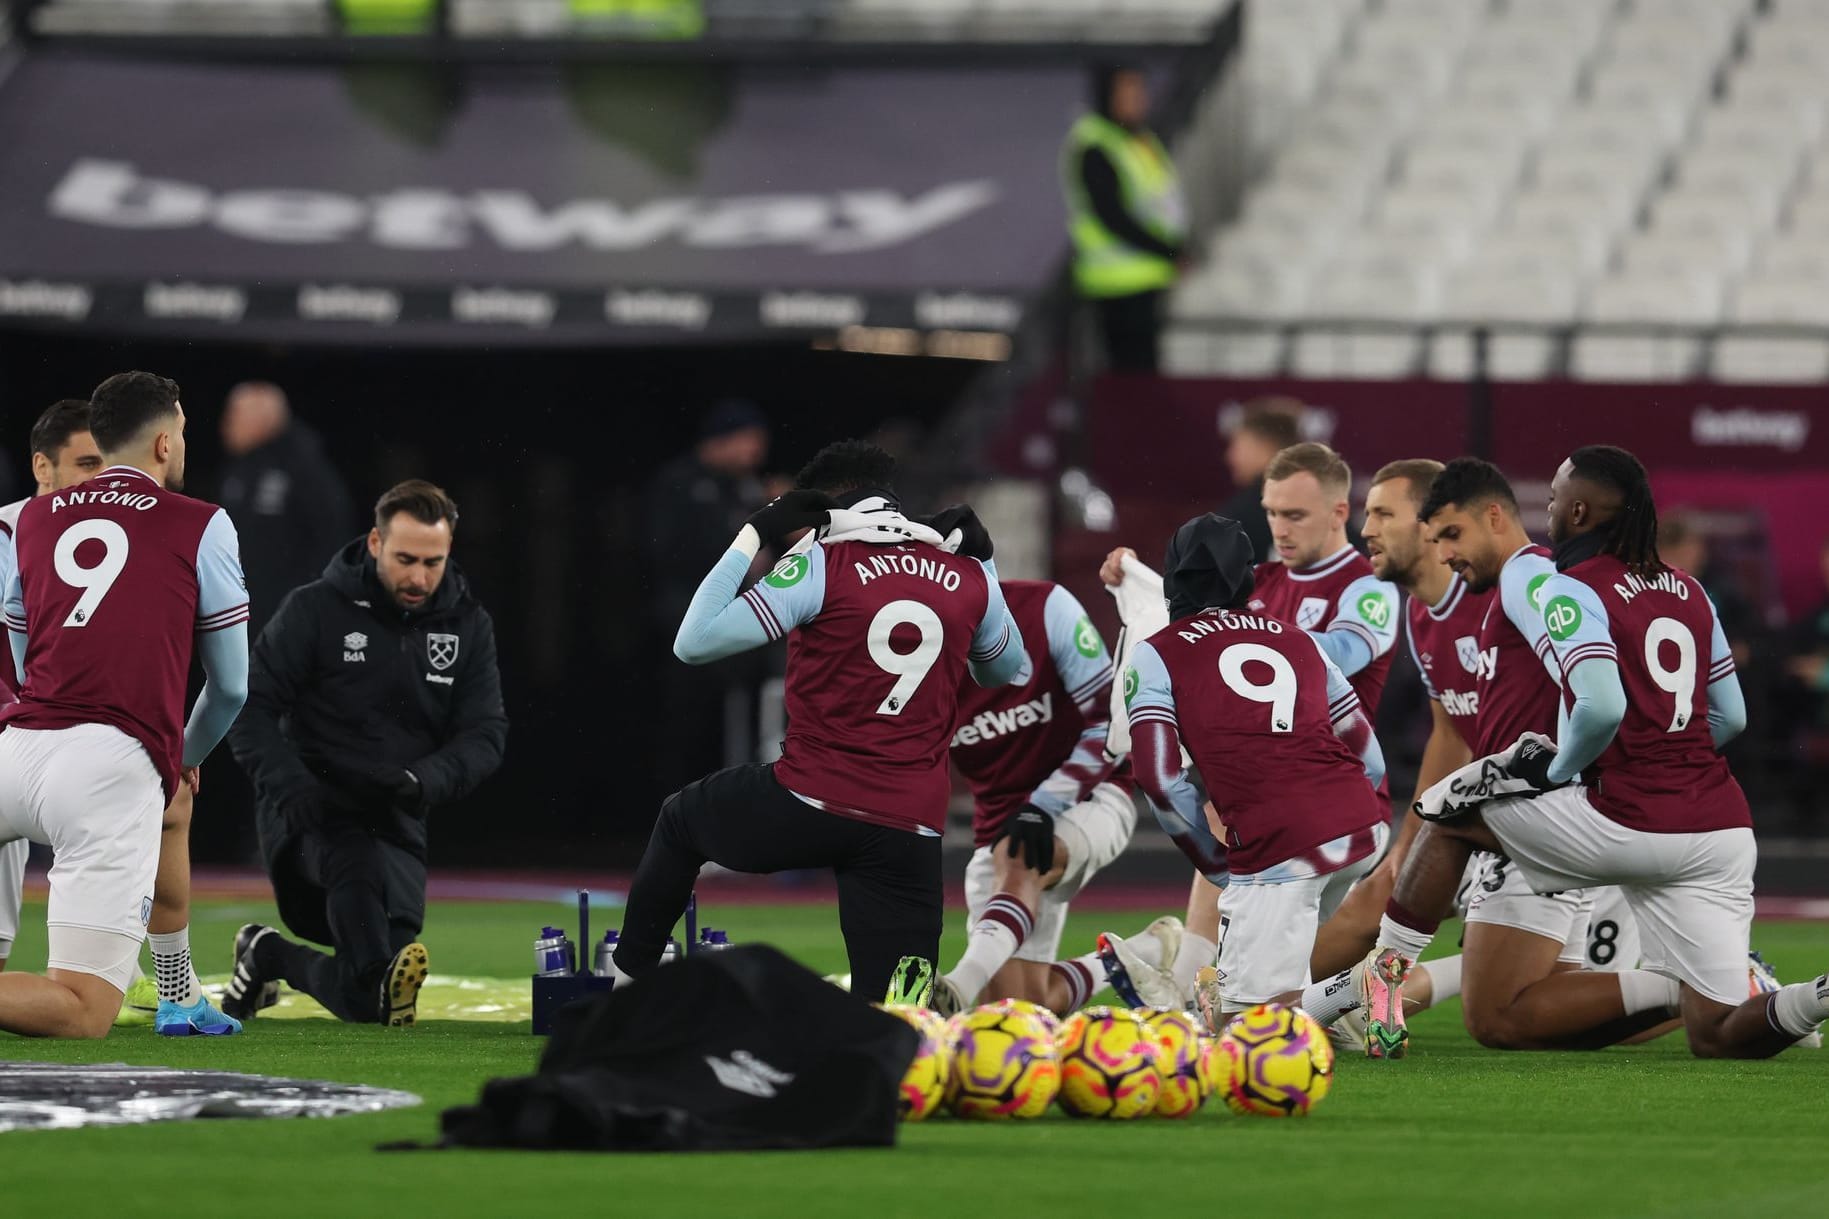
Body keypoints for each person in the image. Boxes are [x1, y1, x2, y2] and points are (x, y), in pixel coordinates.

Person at [1359, 445, 1828, 1059]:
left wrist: (1561, 769)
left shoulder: (1570, 586)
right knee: (1717, 1032)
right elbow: (1732, 715)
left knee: (1447, 814)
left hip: (1624, 817)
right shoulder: (1691, 591)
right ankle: (1817, 995)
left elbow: (1601, 705)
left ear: (1577, 511)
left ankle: (1383, 972)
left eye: (1553, 500)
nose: (1548, 511)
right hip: (1719, 829)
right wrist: (1665, 753)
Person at [605, 440, 1025, 1003]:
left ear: (824, 504)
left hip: (809, 801)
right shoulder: (963, 569)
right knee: (900, 1019)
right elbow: (1006, 670)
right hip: (911, 826)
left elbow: (693, 641)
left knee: (681, 822)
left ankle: (625, 992)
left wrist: (753, 533)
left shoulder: (821, 561)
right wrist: (987, 563)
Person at [1098, 441, 1399, 1007]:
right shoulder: (1279, 614)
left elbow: (1159, 777)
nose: (1280, 528)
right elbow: (1365, 741)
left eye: (1295, 514)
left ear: (1340, 513)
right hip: (1352, 809)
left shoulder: (1364, 586)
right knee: (1259, 977)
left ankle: (1342, 993)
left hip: (1292, 821)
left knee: (1248, 1021)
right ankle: (1323, 996)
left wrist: (1219, 864)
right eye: (1271, 514)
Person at [0, 371, 248, 1039]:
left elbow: (22, 652)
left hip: (15, 749)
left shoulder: (26, 517)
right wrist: (181, 755)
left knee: (171, 812)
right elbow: (230, 686)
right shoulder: (202, 522)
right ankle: (175, 994)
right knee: (83, 1009)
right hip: (105, 765)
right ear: (165, 443)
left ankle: (178, 991)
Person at [225, 480, 507, 1026]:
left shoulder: (467, 624)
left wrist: (421, 781)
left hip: (397, 815)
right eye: (405, 559)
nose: (420, 577)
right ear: (375, 543)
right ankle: (287, 957)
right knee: (356, 884)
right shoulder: (313, 609)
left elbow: (486, 733)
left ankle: (267, 954)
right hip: (314, 814)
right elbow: (248, 708)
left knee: (370, 988)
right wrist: (292, 788)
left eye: (434, 562)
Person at [934, 577, 1170, 1017]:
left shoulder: (1046, 607)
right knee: (1017, 1011)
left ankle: (958, 986)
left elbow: (1107, 726)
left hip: (1093, 795)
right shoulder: (916, 649)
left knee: (1020, 854)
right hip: (1001, 824)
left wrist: (1043, 805)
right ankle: (1140, 955)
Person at [644, 401, 771, 791]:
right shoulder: (679, 482)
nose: (756, 451)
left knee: (740, 721)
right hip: (687, 619)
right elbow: (665, 550)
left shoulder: (747, 486)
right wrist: (737, 554)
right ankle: (677, 814)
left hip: (739, 623)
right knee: (688, 723)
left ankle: (732, 810)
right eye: (749, 440)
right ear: (723, 440)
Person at [1062, 63, 1187, 373]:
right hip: (1116, 283)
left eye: (1139, 91)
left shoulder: (1137, 139)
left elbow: (1162, 206)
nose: (1137, 100)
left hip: (1148, 276)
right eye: (1127, 92)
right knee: (1129, 377)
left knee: (1145, 375)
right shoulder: (1096, 146)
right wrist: (1169, 251)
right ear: (1107, 96)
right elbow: (1112, 216)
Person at [217, 382, 355, 639]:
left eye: (234, 416)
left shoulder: (307, 469)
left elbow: (331, 539)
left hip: (287, 613)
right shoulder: (238, 470)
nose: (225, 425)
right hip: (243, 610)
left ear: (263, 420)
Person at [1217, 399, 1303, 567]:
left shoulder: (1242, 515)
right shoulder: (1325, 503)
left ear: (1264, 448)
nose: (1229, 457)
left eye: (1237, 447)